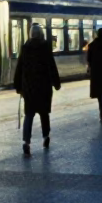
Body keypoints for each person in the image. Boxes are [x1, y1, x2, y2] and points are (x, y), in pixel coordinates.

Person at [14, 22, 61, 156]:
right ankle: (45, 137)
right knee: (44, 113)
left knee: (29, 115)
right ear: (41, 34)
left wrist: (18, 86)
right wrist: (56, 82)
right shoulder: (45, 47)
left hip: (29, 88)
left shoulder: (25, 47)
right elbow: (51, 66)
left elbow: (20, 68)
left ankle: (26, 142)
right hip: (44, 87)